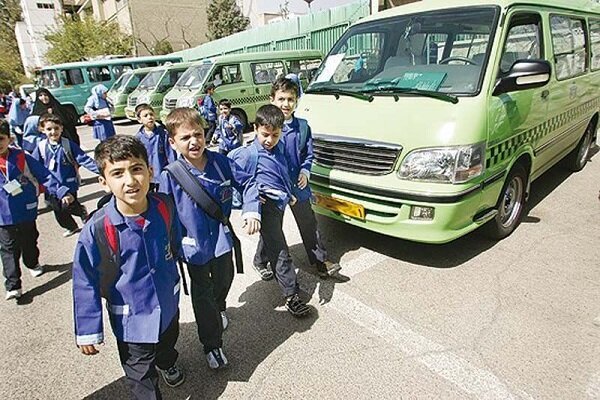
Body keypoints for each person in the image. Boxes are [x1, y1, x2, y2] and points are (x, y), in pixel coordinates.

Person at [72, 135, 185, 399]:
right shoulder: (98, 228)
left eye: (136, 169)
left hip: (167, 303)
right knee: (141, 376)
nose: (131, 180)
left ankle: (167, 361)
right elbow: (84, 280)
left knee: (168, 341)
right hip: (131, 319)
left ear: (150, 171)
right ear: (103, 182)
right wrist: (88, 329)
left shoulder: (164, 206)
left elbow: (174, 240)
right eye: (117, 173)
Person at [159, 107, 258, 369]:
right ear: (173, 142)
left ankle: (220, 307)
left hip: (222, 241)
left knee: (224, 281)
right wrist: (171, 246)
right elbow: (164, 215)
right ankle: (212, 345)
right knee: (203, 296)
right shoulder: (171, 175)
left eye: (198, 134)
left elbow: (248, 183)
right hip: (194, 248)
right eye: (185, 137)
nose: (194, 142)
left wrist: (251, 210)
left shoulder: (220, 163)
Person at [252, 78, 341, 280]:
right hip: (274, 188)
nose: (286, 104)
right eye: (281, 99)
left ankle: (320, 260)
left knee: (308, 222)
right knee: (272, 227)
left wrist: (305, 172)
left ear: (297, 101)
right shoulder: (266, 130)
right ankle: (261, 260)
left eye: (290, 99)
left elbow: (308, 154)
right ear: (272, 99)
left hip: (297, 185)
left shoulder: (302, 127)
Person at [228, 104, 310, 317]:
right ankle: (291, 295)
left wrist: (289, 193)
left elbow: (282, 172)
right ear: (255, 128)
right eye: (265, 134)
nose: (269, 140)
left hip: (279, 203)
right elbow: (234, 177)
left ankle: (259, 260)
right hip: (264, 207)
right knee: (280, 249)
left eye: (275, 135)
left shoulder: (279, 147)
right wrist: (250, 203)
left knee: (272, 237)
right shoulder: (247, 154)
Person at [0, 120, 74, 300]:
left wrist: (61, 191)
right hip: (2, 215)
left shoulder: (21, 157)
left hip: (25, 209)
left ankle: (32, 263)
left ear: (9, 139)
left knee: (29, 241)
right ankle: (13, 285)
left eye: (0, 139)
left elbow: (44, 175)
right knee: (8, 249)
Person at [31, 113, 99, 237]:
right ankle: (71, 226)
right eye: (49, 129)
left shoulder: (68, 145)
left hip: (69, 183)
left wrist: (102, 170)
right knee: (58, 210)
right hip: (51, 186)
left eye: (56, 128)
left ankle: (80, 211)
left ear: (61, 128)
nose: (53, 132)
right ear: (42, 130)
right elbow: (34, 165)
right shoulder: (41, 147)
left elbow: (84, 159)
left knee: (68, 206)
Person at [134, 104, 176, 191]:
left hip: (161, 173)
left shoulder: (163, 134)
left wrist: (173, 169)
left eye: (151, 114)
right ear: (139, 119)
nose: (149, 117)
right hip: (147, 175)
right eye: (145, 116)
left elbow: (170, 154)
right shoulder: (137, 138)